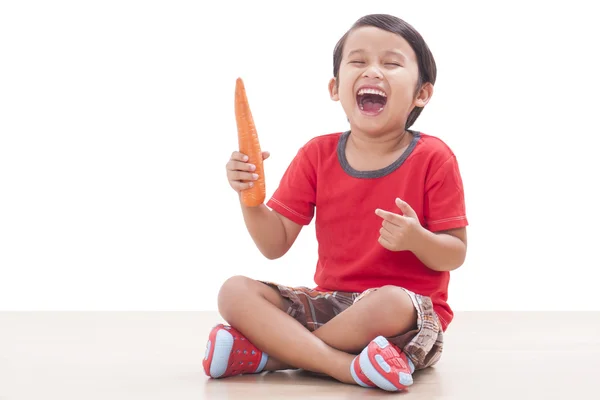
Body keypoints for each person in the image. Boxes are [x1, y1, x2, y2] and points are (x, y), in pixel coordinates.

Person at [203, 13, 468, 392]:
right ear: (334, 86)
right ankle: (344, 367)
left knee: (390, 302)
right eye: (358, 61)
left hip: (405, 315)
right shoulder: (317, 154)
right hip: (333, 306)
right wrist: (250, 198)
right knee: (234, 292)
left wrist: (417, 239)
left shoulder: (435, 158)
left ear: (421, 93)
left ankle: (276, 355)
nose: (372, 71)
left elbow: (455, 254)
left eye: (391, 63)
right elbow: (273, 244)